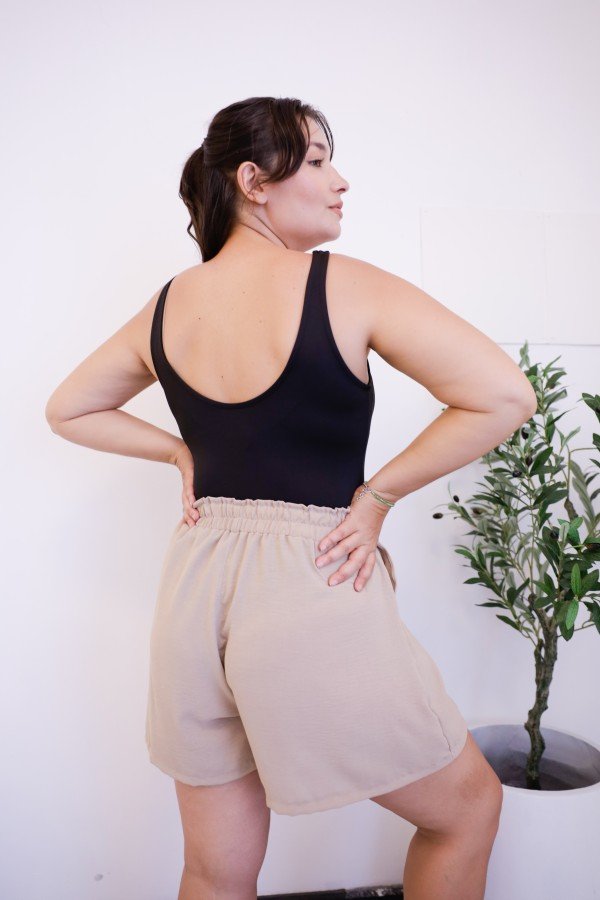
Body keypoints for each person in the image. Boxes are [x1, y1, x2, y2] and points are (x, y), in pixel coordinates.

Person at [45, 96, 537, 900]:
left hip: (193, 586)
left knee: (214, 871)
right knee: (468, 810)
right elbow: (505, 395)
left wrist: (178, 450)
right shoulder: (344, 285)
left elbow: (68, 409)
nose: (340, 181)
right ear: (254, 182)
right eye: (316, 160)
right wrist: (376, 498)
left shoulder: (168, 304)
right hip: (309, 581)